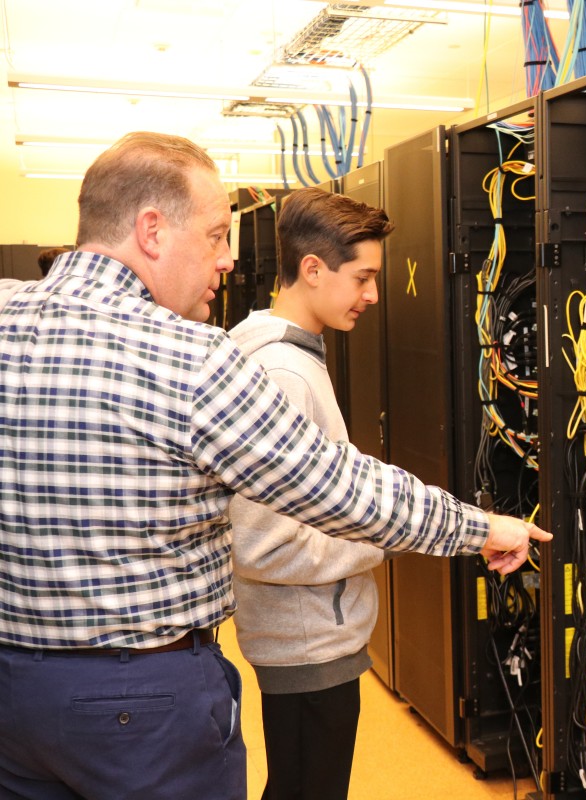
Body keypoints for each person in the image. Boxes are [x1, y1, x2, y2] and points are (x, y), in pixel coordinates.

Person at [0, 132, 550, 799]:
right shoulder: (187, 357)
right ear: (150, 230)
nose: (230, 260)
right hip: (141, 705)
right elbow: (340, 488)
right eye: (214, 236)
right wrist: (481, 528)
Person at [226, 188, 393, 799]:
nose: (373, 294)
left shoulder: (283, 353)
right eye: (363, 277)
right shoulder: (284, 373)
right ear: (313, 268)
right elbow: (264, 546)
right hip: (305, 643)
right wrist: (376, 540)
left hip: (304, 636)